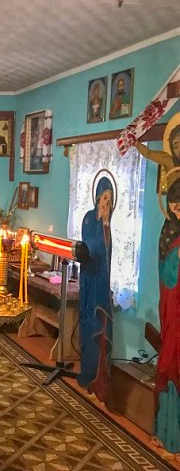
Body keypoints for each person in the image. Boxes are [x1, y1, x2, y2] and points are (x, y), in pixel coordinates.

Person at [77, 177, 114, 405]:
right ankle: (87, 375)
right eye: (104, 198)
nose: (106, 203)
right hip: (89, 278)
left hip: (102, 281)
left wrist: (106, 225)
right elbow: (89, 246)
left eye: (109, 200)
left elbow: (107, 252)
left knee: (102, 328)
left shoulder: (109, 225)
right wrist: (102, 225)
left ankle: (101, 381)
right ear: (97, 197)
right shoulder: (89, 219)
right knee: (88, 325)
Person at [153, 179, 180, 453]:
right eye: (173, 207)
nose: (177, 212)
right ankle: (167, 433)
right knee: (172, 358)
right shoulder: (169, 231)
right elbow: (166, 273)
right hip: (174, 307)